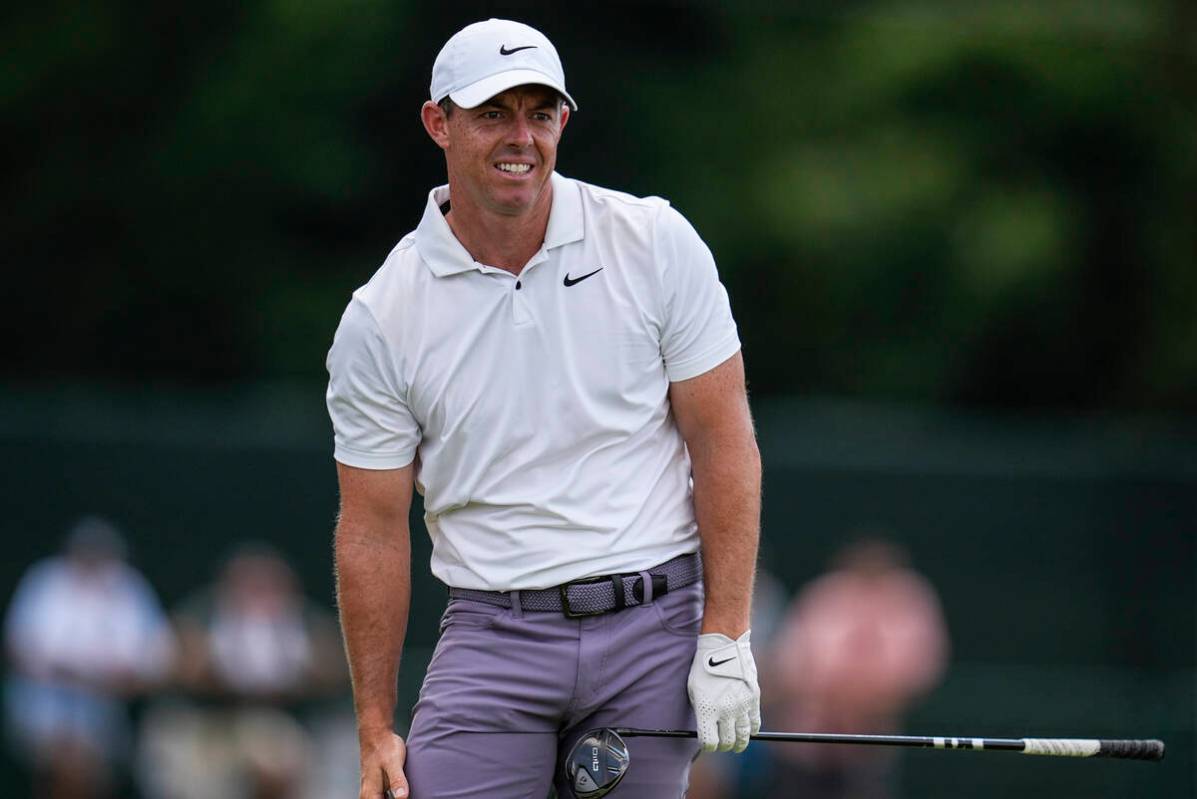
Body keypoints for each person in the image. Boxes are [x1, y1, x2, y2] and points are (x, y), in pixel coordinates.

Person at [325, 18, 761, 799]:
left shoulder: (653, 242)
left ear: (563, 121)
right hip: (493, 636)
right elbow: (371, 525)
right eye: (492, 113)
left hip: (651, 626)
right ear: (439, 123)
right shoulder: (382, 314)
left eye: (540, 112)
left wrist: (724, 635)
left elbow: (722, 440)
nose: (519, 136)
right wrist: (373, 724)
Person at [136, 544, 347, 799]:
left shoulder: (303, 623)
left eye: (268, 585)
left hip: (279, 722)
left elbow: (334, 669)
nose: (258, 594)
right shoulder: (201, 618)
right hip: (207, 724)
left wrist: (294, 670)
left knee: (278, 763)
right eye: (250, 584)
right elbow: (175, 668)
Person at [3, 516, 175, 799]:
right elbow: (18, 648)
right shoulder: (44, 580)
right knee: (69, 762)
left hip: (109, 708)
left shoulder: (129, 587)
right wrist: (68, 673)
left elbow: (159, 658)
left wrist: (124, 678)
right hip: (43, 703)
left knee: (95, 764)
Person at [765, 537, 949, 799]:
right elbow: (787, 662)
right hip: (805, 739)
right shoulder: (823, 595)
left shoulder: (910, 598)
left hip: (873, 741)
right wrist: (826, 698)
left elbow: (923, 667)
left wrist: (868, 699)